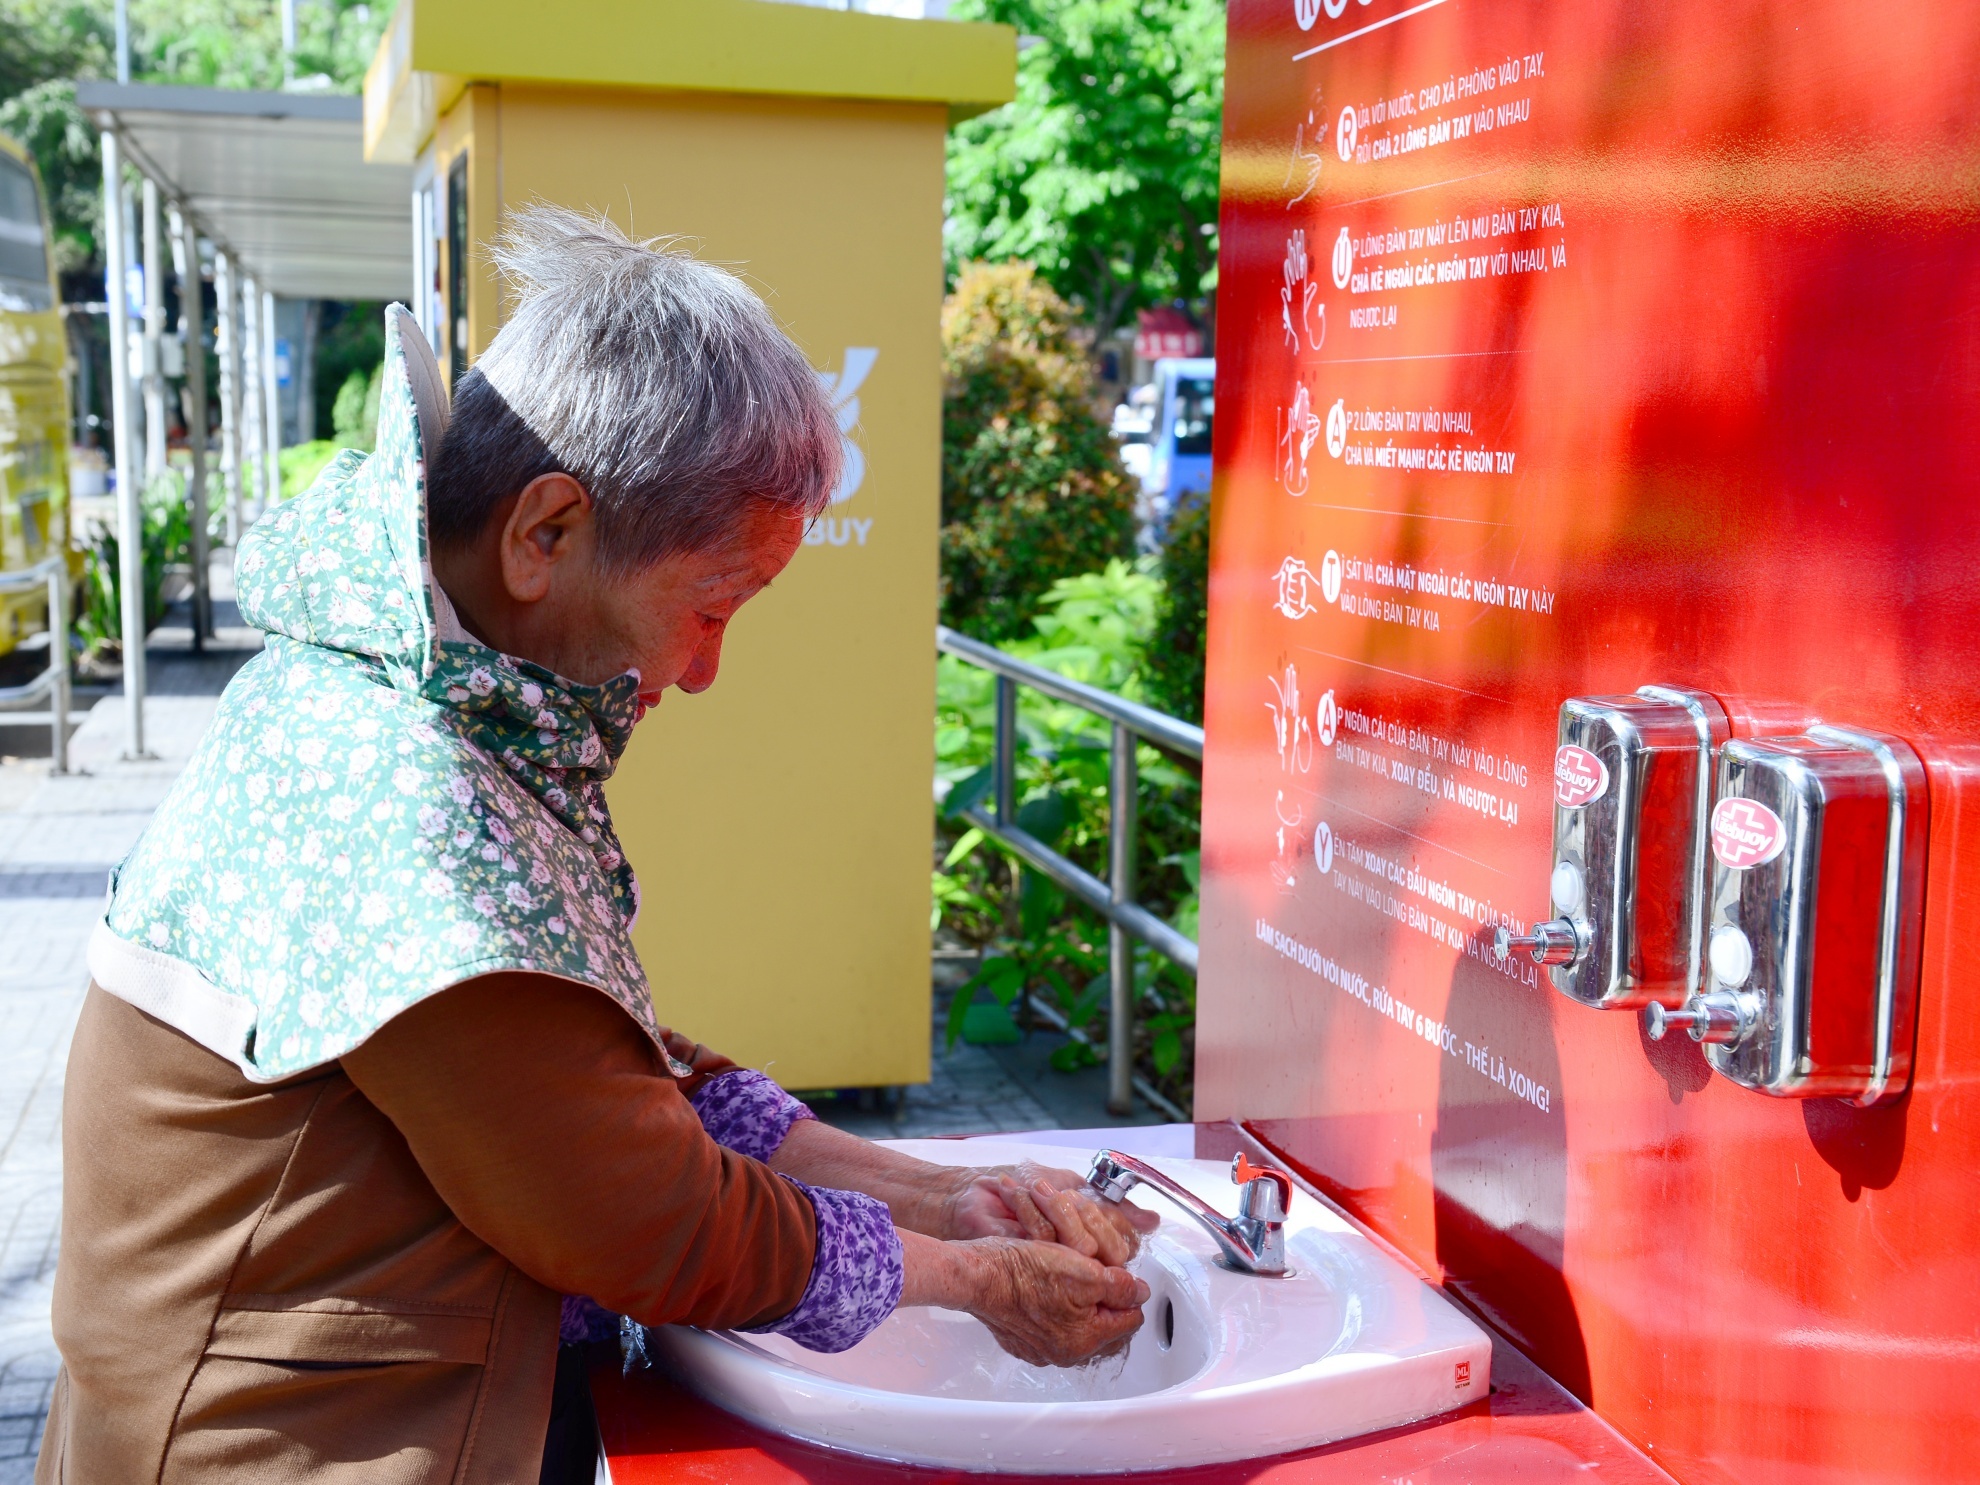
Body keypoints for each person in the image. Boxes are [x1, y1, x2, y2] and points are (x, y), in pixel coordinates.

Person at [36, 207, 1153, 1484]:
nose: (704, 670)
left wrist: (947, 1196)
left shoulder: (407, 699)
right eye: (710, 605)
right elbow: (640, 1212)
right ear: (545, 534)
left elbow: (597, 1078)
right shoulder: (405, 804)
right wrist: (975, 1279)